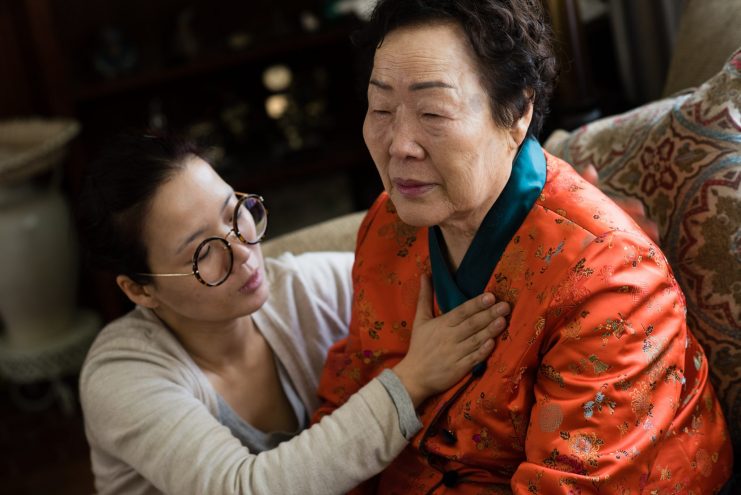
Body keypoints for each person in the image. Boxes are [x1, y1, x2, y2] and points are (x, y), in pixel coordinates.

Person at [314, 0, 734, 493]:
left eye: (432, 112)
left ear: (516, 113)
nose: (399, 144)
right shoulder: (388, 225)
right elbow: (346, 403)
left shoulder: (611, 281)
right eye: (381, 108)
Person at [77, 133, 513, 495]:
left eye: (235, 214)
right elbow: (244, 488)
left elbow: (428, 261)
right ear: (139, 290)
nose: (244, 253)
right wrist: (410, 382)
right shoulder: (121, 375)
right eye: (202, 252)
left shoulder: (300, 290)